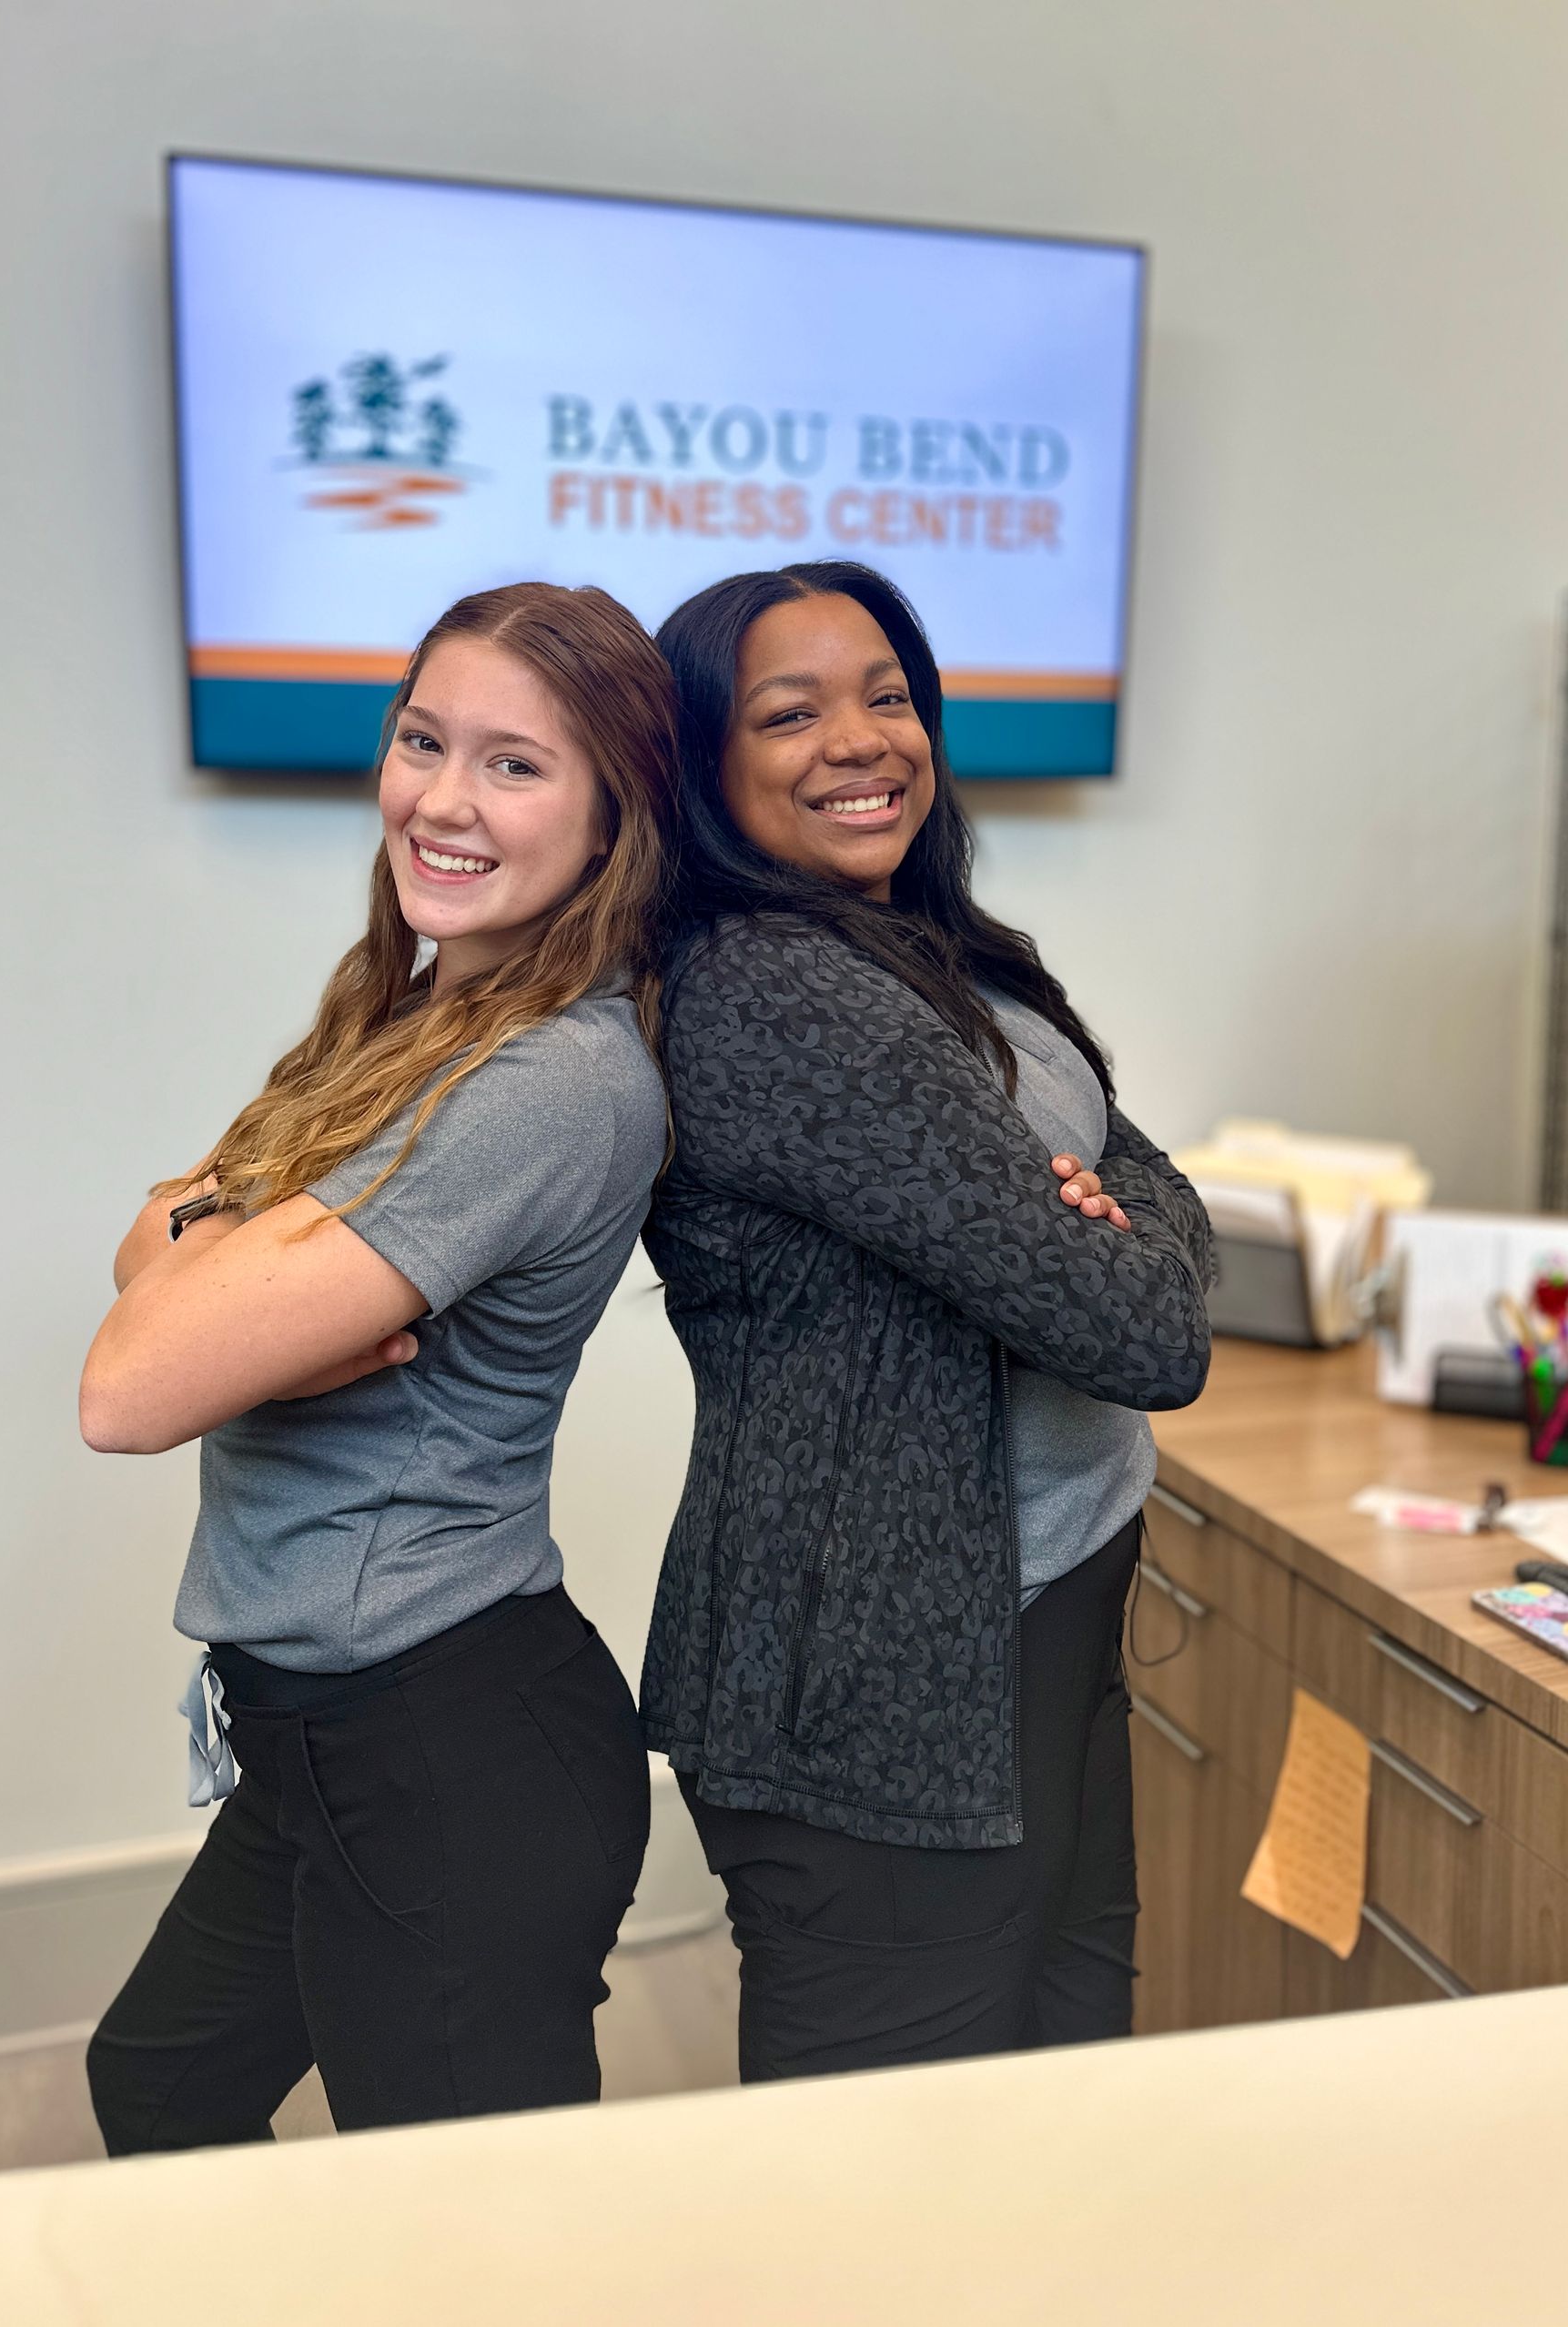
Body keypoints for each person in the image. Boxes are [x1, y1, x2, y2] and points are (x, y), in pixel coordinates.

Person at [80, 582, 677, 2150]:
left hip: (444, 1745)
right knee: (163, 2080)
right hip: (320, 1734)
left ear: (617, 816)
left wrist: (213, 1285)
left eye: (516, 764)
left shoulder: (547, 1078)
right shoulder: (419, 1015)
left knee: (471, 2246)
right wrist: (232, 1261)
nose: (444, 798)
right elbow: (151, 1248)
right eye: (425, 739)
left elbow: (124, 1391)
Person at [641, 559, 1213, 2082]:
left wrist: (1111, 1211)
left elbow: (1144, 1172)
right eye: (792, 712)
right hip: (886, 1673)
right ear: (705, 764)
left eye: (889, 695)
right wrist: (1101, 1228)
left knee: (1057, 2089)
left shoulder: (943, 954)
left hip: (1041, 1611)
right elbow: (1147, 1337)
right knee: (883, 2183)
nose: (863, 738)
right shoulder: (772, 990)